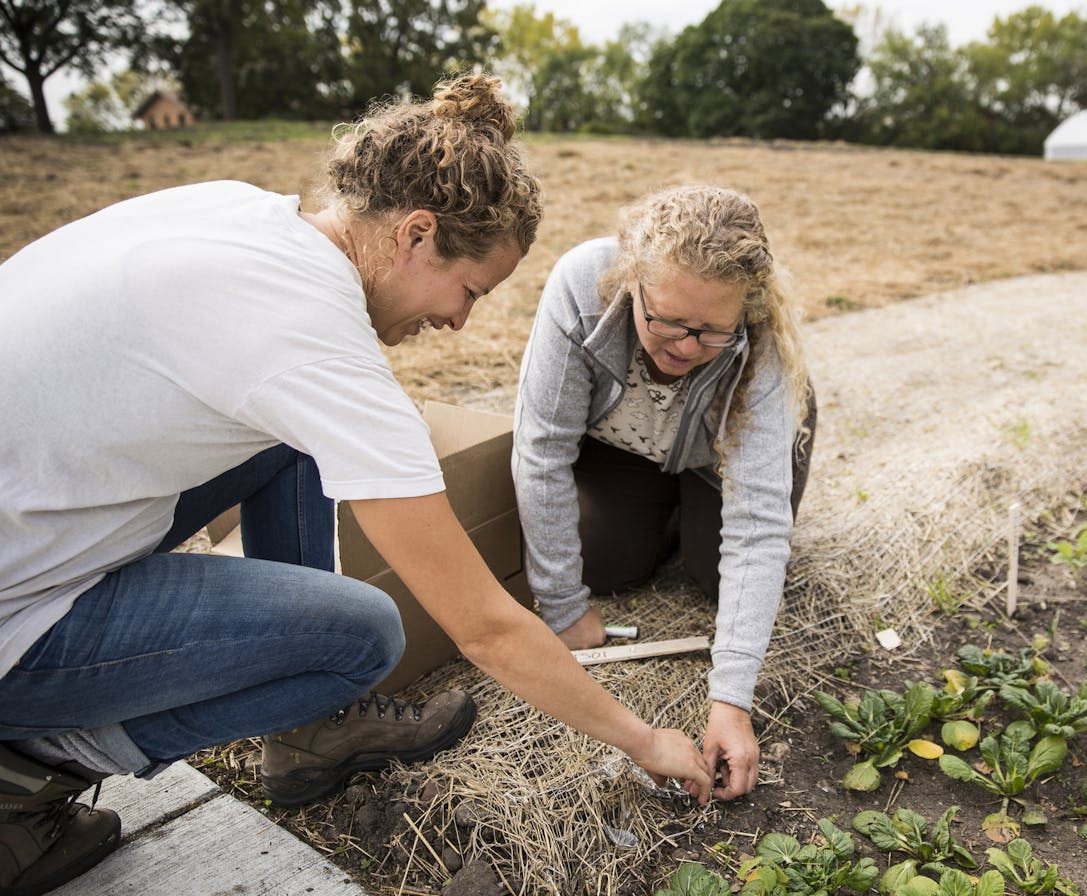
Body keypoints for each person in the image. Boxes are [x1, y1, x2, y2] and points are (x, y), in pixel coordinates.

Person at [0, 74, 709, 896]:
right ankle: (31, 770)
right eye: (470, 291)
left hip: (26, 517)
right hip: (16, 623)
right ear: (414, 233)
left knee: (295, 437)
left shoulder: (240, 213)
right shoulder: (316, 342)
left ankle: (305, 731)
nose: (459, 321)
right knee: (364, 636)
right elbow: (485, 630)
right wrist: (645, 741)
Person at [512, 185, 815, 802]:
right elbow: (542, 449)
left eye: (710, 333)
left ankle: (692, 512)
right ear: (632, 281)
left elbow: (757, 523)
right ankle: (662, 511)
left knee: (716, 576)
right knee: (606, 564)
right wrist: (563, 607)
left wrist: (730, 697)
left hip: (713, 457)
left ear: (743, 313)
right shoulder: (580, 283)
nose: (683, 347)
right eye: (667, 321)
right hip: (627, 444)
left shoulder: (761, 340)